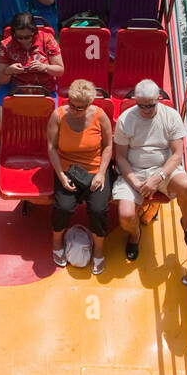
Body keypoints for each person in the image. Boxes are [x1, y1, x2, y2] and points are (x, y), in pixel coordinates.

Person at [112, 79, 187, 261]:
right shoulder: (126, 120)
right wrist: (135, 182)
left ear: (158, 99)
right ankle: (135, 235)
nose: (147, 110)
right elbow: (121, 157)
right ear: (136, 101)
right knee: (125, 215)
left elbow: (176, 155)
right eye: (142, 106)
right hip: (134, 171)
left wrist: (158, 177)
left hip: (164, 169)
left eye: (151, 106)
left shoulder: (171, 116)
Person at [47, 80, 113, 273]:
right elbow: (51, 148)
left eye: (80, 108)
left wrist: (101, 173)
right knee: (63, 207)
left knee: (98, 209)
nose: (74, 111)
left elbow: (108, 146)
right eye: (72, 105)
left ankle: (99, 250)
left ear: (90, 105)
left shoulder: (100, 117)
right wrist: (60, 175)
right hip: (67, 169)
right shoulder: (58, 116)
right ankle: (57, 242)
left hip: (95, 169)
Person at [0, 11, 63, 153]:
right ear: (13, 33)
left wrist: (45, 67)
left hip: (44, 88)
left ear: (34, 32)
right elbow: (1, 79)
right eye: (19, 37)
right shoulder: (6, 45)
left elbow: (60, 70)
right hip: (14, 87)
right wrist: (9, 70)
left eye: (28, 37)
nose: (24, 40)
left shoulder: (47, 39)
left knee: (57, 129)